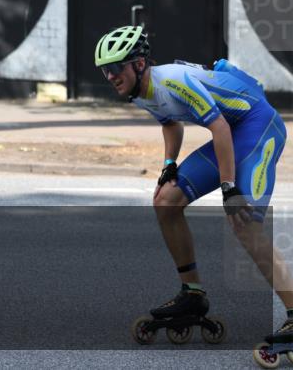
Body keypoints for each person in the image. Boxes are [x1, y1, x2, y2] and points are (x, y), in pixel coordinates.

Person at [94, 25, 292, 348]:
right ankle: (192, 293)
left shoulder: (171, 81)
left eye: (116, 68)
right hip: (231, 131)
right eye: (105, 71)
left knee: (244, 222)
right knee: (165, 201)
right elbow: (170, 124)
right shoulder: (139, 92)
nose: (111, 77)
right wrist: (168, 164)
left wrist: (229, 189)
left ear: (139, 64)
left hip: (257, 124)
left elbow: (220, 127)